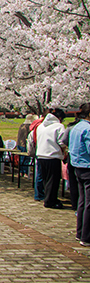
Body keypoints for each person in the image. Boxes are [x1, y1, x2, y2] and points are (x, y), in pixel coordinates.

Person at [35, 108, 67, 209]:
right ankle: (50, 201)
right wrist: (64, 151)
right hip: (52, 156)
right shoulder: (59, 126)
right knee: (53, 180)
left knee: (46, 179)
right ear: (60, 118)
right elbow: (62, 142)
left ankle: (48, 198)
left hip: (41, 155)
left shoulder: (41, 126)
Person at [69, 103, 90, 246]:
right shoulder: (88, 129)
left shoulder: (76, 127)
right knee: (88, 203)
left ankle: (80, 232)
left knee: (82, 201)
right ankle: (86, 236)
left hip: (77, 166)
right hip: (87, 167)